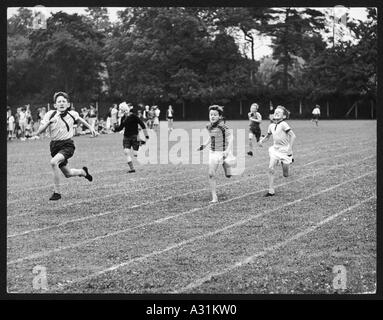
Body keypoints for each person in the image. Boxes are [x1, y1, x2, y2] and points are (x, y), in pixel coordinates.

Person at [33, 91, 96, 201]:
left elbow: (80, 119)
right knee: (68, 173)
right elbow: (39, 131)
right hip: (54, 146)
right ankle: (83, 172)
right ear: (55, 105)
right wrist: (48, 123)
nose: (61, 103)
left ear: (68, 104)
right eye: (59, 102)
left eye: (64, 101)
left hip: (67, 145)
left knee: (53, 162)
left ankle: (57, 193)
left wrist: (91, 127)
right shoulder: (50, 114)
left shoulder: (73, 114)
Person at [197, 105, 234, 203]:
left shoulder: (222, 126)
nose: (212, 116)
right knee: (211, 174)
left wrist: (227, 151)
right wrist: (204, 145)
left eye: (215, 115)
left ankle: (226, 164)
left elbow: (231, 139)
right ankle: (214, 197)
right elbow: (211, 137)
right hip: (213, 152)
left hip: (223, 152)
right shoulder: (208, 126)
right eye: (211, 114)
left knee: (228, 175)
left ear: (219, 116)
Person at [258, 105, 296, 197]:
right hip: (275, 149)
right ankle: (271, 191)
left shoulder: (284, 124)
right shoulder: (271, 125)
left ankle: (287, 161)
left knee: (285, 174)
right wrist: (262, 141)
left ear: (284, 116)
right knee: (270, 168)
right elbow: (268, 136)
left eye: (279, 112)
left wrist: (290, 149)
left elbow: (293, 136)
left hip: (285, 151)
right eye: (276, 111)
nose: (276, 112)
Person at [112, 104, 149, 173]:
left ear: (125, 109)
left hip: (134, 136)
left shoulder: (134, 116)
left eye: (121, 110)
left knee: (136, 154)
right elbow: (121, 127)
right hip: (126, 137)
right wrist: (115, 129)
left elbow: (142, 125)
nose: (121, 111)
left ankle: (142, 144)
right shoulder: (123, 118)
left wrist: (146, 135)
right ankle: (132, 169)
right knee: (126, 152)